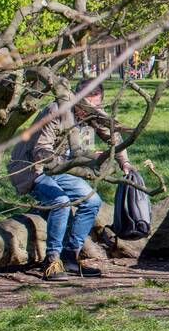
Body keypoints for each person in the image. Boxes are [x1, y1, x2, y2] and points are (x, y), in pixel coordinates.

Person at [7, 79, 133, 280]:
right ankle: (52, 260)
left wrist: (125, 164)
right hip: (33, 170)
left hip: (65, 170)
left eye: (96, 105)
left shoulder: (92, 115)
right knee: (61, 202)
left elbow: (114, 138)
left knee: (92, 201)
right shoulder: (56, 111)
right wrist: (86, 158)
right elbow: (41, 152)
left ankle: (71, 256)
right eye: (86, 105)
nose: (90, 110)